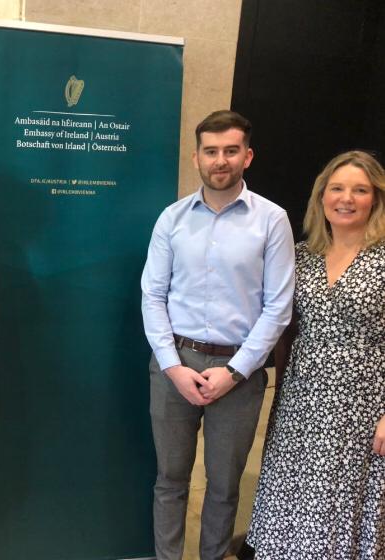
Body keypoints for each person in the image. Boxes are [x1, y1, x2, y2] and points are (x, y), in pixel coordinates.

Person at [141, 110, 295, 560]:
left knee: (224, 486)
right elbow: (152, 295)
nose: (220, 160)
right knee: (170, 480)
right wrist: (172, 366)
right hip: (175, 367)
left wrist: (235, 371)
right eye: (211, 151)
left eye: (231, 151)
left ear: (248, 156)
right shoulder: (171, 219)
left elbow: (278, 306)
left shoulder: (272, 220)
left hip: (240, 376)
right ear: (197, 157)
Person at [244, 150, 385, 558]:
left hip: (362, 405)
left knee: (341, 506)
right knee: (292, 497)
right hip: (301, 401)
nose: (347, 198)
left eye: (360, 190)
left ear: (375, 198)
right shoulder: (302, 255)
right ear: (321, 196)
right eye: (337, 188)